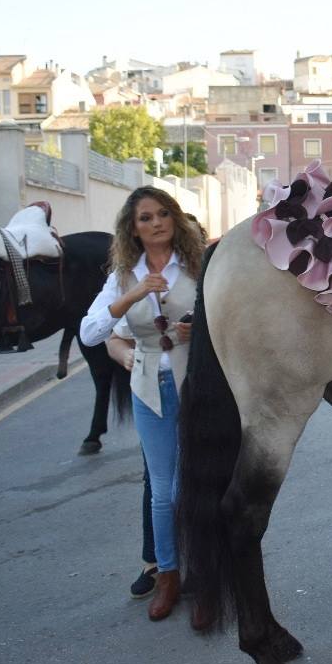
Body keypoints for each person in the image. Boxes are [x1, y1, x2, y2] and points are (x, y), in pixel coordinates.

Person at [81, 187, 204, 623]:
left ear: (174, 218)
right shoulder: (121, 275)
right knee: (164, 489)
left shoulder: (197, 265)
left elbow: (228, 320)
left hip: (198, 385)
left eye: (163, 214)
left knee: (198, 483)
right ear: (133, 229)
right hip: (151, 386)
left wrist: (198, 331)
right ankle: (167, 575)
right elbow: (91, 333)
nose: (157, 223)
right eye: (146, 218)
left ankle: (204, 578)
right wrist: (131, 297)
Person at [106, 333, 159, 598]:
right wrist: (125, 353)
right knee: (155, 479)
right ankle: (154, 561)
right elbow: (107, 335)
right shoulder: (125, 290)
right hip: (151, 389)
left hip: (195, 380)